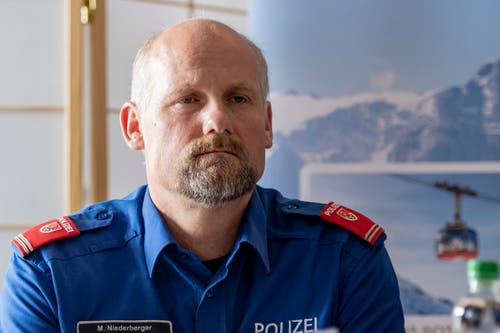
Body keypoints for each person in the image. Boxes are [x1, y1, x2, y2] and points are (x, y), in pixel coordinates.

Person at [0, 18, 404, 332]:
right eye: (187, 100)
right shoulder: (52, 273)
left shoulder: (344, 260)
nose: (218, 120)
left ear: (267, 124)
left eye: (238, 98)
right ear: (134, 127)